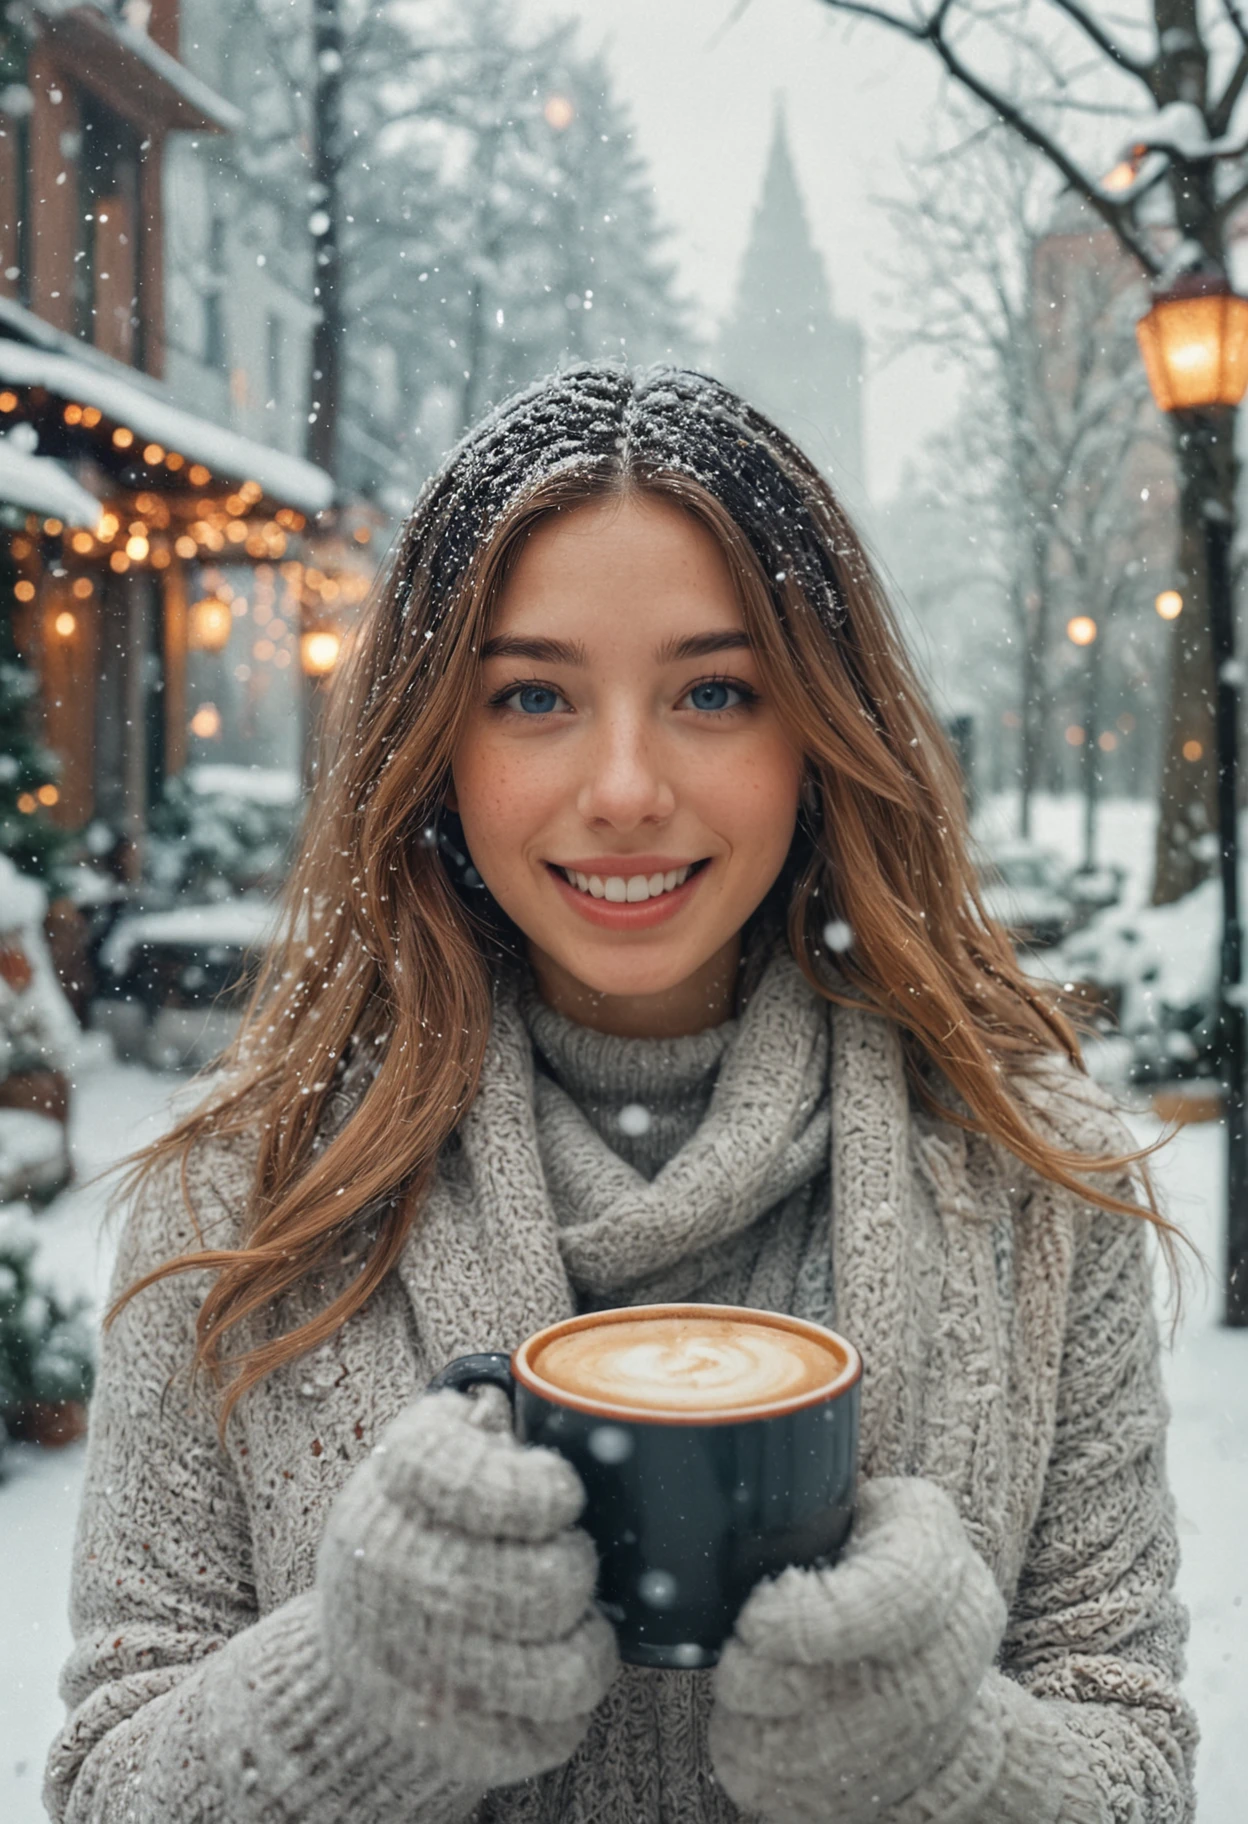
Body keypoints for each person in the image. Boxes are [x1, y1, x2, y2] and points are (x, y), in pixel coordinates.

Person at [45, 366, 1195, 1824]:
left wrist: (947, 1765)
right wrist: (353, 1697)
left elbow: (1136, 1754)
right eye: (533, 697)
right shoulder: (247, 1196)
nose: (627, 786)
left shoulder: (1036, 1182)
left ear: (824, 727)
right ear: (433, 744)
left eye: (716, 691)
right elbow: (103, 1783)